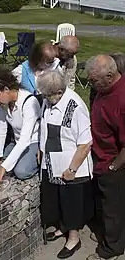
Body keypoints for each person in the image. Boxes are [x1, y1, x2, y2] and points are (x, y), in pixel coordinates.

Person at [37, 70, 93, 259]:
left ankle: (74, 238)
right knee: (57, 199)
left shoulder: (75, 106)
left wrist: (72, 169)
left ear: (59, 92)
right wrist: (41, 148)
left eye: (47, 95)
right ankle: (62, 227)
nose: (45, 98)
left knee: (71, 203)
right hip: (52, 161)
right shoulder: (49, 99)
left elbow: (85, 143)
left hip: (71, 164)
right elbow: (45, 126)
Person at [85, 55, 125, 260]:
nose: (91, 84)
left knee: (113, 208)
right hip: (101, 158)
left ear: (110, 75)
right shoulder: (105, 89)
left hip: (113, 163)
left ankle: (112, 248)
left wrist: (113, 167)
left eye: (93, 80)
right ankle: (113, 236)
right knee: (108, 205)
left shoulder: (121, 98)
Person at [0, 68, 40, 183]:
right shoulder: (3, 103)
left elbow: (25, 139)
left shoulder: (29, 102)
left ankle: (39, 163)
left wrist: (4, 167)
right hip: (17, 141)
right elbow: (1, 127)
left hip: (33, 141)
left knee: (21, 171)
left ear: (6, 89)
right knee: (5, 159)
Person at [12, 36, 79, 99]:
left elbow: (71, 80)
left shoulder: (71, 59)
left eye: (73, 54)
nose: (72, 57)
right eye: (70, 54)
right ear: (61, 49)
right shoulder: (45, 53)